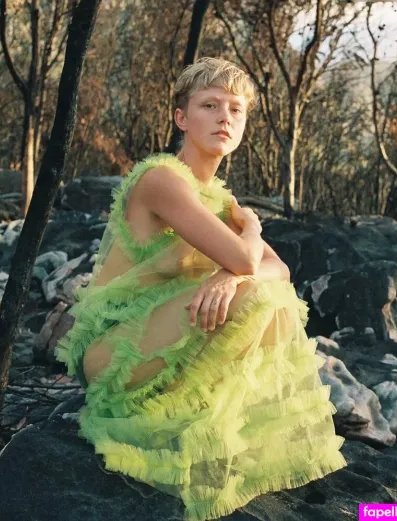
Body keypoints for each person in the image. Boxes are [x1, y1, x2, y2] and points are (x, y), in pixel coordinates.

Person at [55, 57, 347, 521]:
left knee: (267, 296)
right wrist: (251, 231)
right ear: (181, 118)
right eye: (209, 105)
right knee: (257, 296)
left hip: (162, 342)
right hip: (114, 353)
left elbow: (279, 269)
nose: (224, 117)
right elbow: (250, 259)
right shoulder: (162, 180)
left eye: (236, 109)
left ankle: (196, 416)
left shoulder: (220, 200)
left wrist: (227, 275)